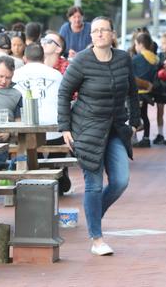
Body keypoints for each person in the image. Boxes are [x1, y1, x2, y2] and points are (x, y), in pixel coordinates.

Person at [57, 17, 140, 256]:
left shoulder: (124, 58)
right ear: (91, 36)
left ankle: (94, 215)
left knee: (121, 180)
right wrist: (65, 128)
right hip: (87, 128)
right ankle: (97, 239)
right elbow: (64, 93)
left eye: (104, 30)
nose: (100, 34)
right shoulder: (82, 61)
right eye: (96, 31)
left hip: (115, 127)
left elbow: (133, 93)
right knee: (93, 185)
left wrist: (135, 121)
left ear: (113, 34)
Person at [12, 44, 69, 193]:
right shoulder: (56, 75)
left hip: (26, 133)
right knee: (58, 140)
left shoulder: (15, 75)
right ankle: (56, 170)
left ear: (24, 58)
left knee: (27, 144)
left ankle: (37, 176)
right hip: (55, 132)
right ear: (43, 58)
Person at [0, 55, 23, 171]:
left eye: (8, 78)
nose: (3, 81)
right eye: (1, 76)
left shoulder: (16, 95)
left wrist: (9, 132)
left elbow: (20, 125)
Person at [132, 32, 159, 148]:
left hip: (137, 92)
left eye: (136, 44)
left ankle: (133, 138)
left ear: (141, 45)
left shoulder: (136, 59)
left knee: (133, 115)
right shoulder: (155, 59)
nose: (135, 47)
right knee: (145, 115)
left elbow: (131, 75)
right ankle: (146, 138)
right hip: (149, 92)